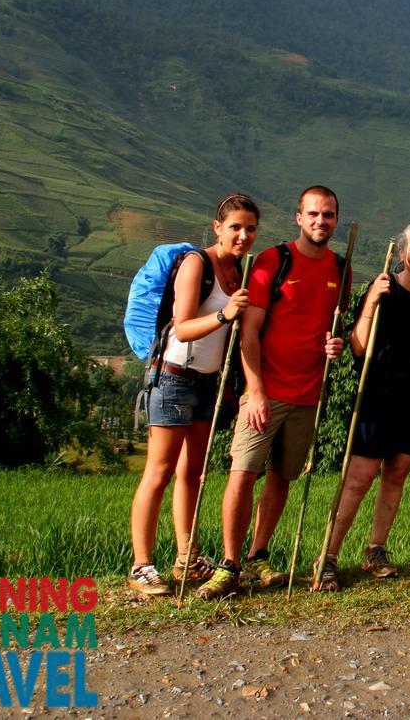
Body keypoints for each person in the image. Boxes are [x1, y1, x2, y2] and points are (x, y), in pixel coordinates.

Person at [197, 186, 348, 600]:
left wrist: (335, 343)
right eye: (314, 214)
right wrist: (257, 392)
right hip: (266, 390)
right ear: (298, 217)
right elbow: (249, 334)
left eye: (329, 215)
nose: (321, 221)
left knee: (282, 476)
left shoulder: (340, 267)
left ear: (336, 220)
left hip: (308, 394)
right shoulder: (273, 261)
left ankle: (258, 554)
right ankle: (229, 566)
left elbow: (333, 328)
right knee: (242, 474)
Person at [127, 193, 258, 596]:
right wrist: (223, 314)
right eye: (235, 227)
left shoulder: (238, 270)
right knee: (160, 471)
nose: (242, 235)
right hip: (173, 376)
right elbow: (181, 328)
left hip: (207, 382)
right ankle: (141, 566)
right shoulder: (195, 265)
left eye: (250, 229)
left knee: (194, 473)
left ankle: (188, 555)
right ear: (217, 227)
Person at [313, 223, 410, 591]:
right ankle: (327, 556)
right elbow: (357, 346)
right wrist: (371, 301)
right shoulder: (381, 288)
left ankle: (376, 549)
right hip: (377, 396)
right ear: (402, 251)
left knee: (397, 474)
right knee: (358, 478)